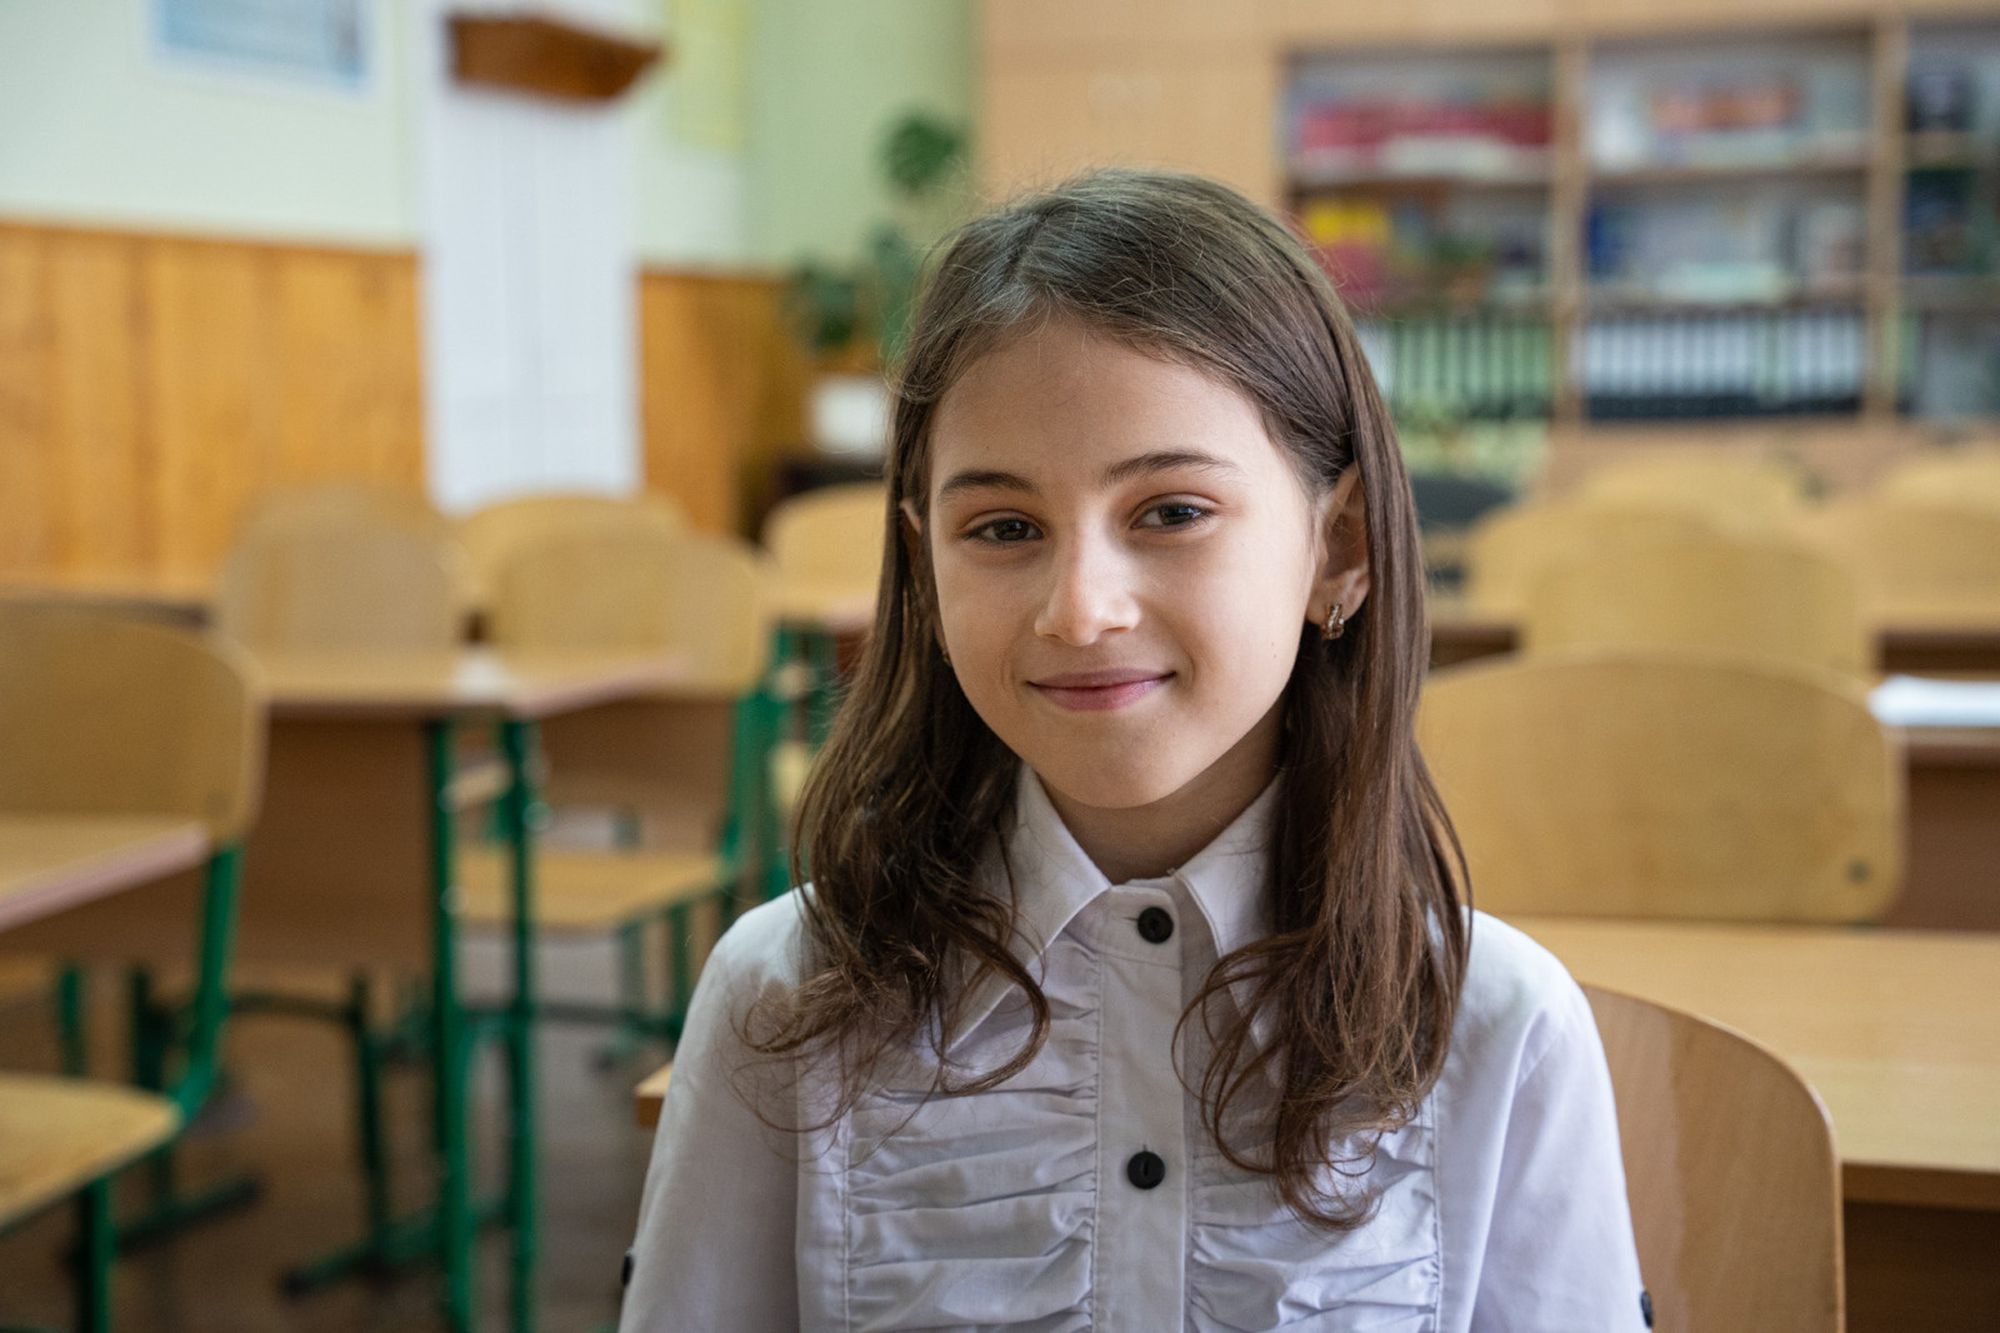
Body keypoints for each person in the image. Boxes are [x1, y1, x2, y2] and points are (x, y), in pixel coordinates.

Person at [620, 168, 1646, 1331]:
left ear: (1339, 546)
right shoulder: (785, 991)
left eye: (1170, 511)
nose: (1080, 608)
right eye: (1003, 529)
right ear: (924, 562)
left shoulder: (1493, 1024)